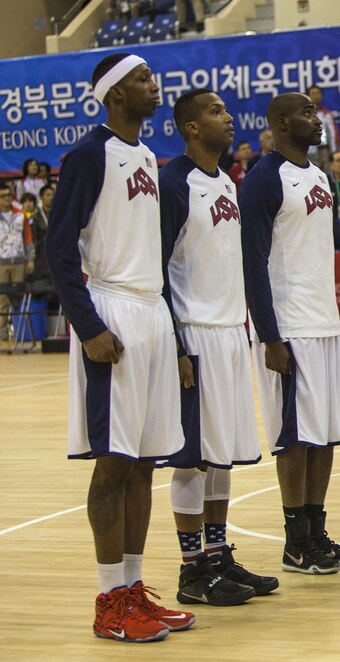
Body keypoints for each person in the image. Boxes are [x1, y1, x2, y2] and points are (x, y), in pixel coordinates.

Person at [47, 53, 192, 642]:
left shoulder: (145, 159)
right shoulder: (87, 155)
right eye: (140, 79)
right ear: (114, 94)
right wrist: (87, 327)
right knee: (112, 465)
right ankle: (109, 601)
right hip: (111, 313)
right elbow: (58, 250)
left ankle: (133, 589)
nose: (152, 85)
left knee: (143, 465)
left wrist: (173, 334)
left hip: (152, 312)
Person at [159, 89, 278, 607]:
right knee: (192, 459)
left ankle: (216, 554)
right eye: (215, 112)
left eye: (227, 111)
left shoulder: (227, 181)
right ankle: (192, 572)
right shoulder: (171, 182)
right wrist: (176, 345)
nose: (227, 119)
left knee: (221, 455)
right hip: (194, 332)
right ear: (189, 126)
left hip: (231, 330)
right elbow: (156, 269)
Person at [241, 92, 340, 574]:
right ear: (281, 122)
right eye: (307, 114)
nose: (317, 121)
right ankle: (295, 544)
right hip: (288, 327)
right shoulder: (263, 178)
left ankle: (317, 532)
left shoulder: (320, 175)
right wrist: (270, 335)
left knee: (326, 434)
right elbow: (252, 262)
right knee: (295, 438)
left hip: (325, 322)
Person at [0, 182, 33, 341]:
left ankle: (19, 330)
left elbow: (28, 239)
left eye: (9, 195)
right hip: (1, 262)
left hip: (19, 260)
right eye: (3, 196)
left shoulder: (21, 215)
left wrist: (30, 259)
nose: (7, 198)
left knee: (17, 297)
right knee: (1, 299)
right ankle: (3, 331)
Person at [306, 85, 339, 173]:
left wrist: (334, 152)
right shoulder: (303, 115)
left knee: (326, 177)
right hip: (309, 151)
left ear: (321, 96)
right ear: (307, 96)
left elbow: (333, 135)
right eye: (313, 93)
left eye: (318, 93)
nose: (316, 96)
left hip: (324, 150)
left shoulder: (327, 114)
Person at [27, 183, 53, 286]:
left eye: (52, 195)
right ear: (41, 197)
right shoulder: (35, 217)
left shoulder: (59, 215)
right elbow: (33, 240)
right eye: (48, 195)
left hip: (56, 256)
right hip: (41, 258)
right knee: (41, 288)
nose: (51, 197)